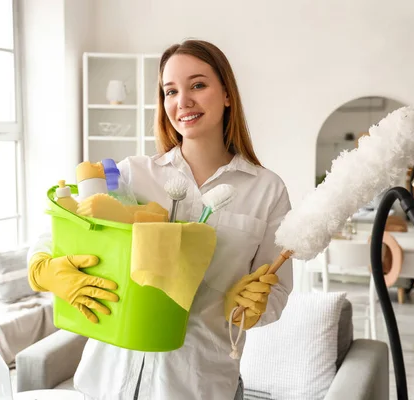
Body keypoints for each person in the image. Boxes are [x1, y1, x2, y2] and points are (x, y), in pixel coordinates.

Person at [27, 39, 293, 400]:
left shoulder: (266, 190)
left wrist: (249, 307)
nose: (182, 101)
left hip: (199, 386)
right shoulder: (132, 175)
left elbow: (276, 292)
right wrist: (45, 271)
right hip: (107, 381)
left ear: (227, 94)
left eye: (198, 85)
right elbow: (51, 238)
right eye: (170, 91)